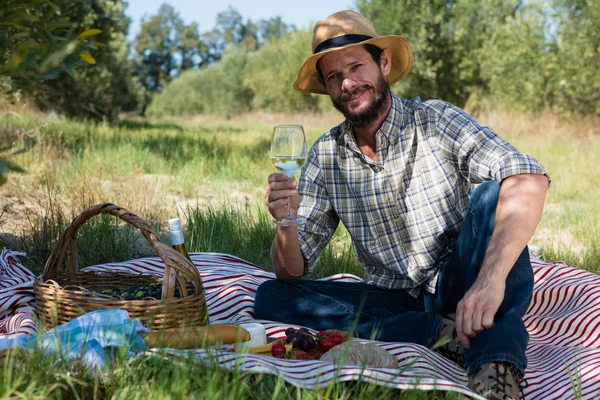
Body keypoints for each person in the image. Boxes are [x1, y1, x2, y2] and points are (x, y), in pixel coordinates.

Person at [254, 10, 550, 400]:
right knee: (271, 296)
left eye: (357, 66)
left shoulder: (436, 121)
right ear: (327, 89)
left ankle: (495, 365)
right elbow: (291, 269)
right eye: (333, 76)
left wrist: (490, 280)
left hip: (457, 277)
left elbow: (528, 177)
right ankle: (437, 333)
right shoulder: (326, 155)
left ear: (384, 64)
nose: (347, 83)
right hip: (392, 297)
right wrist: (286, 220)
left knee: (494, 198)